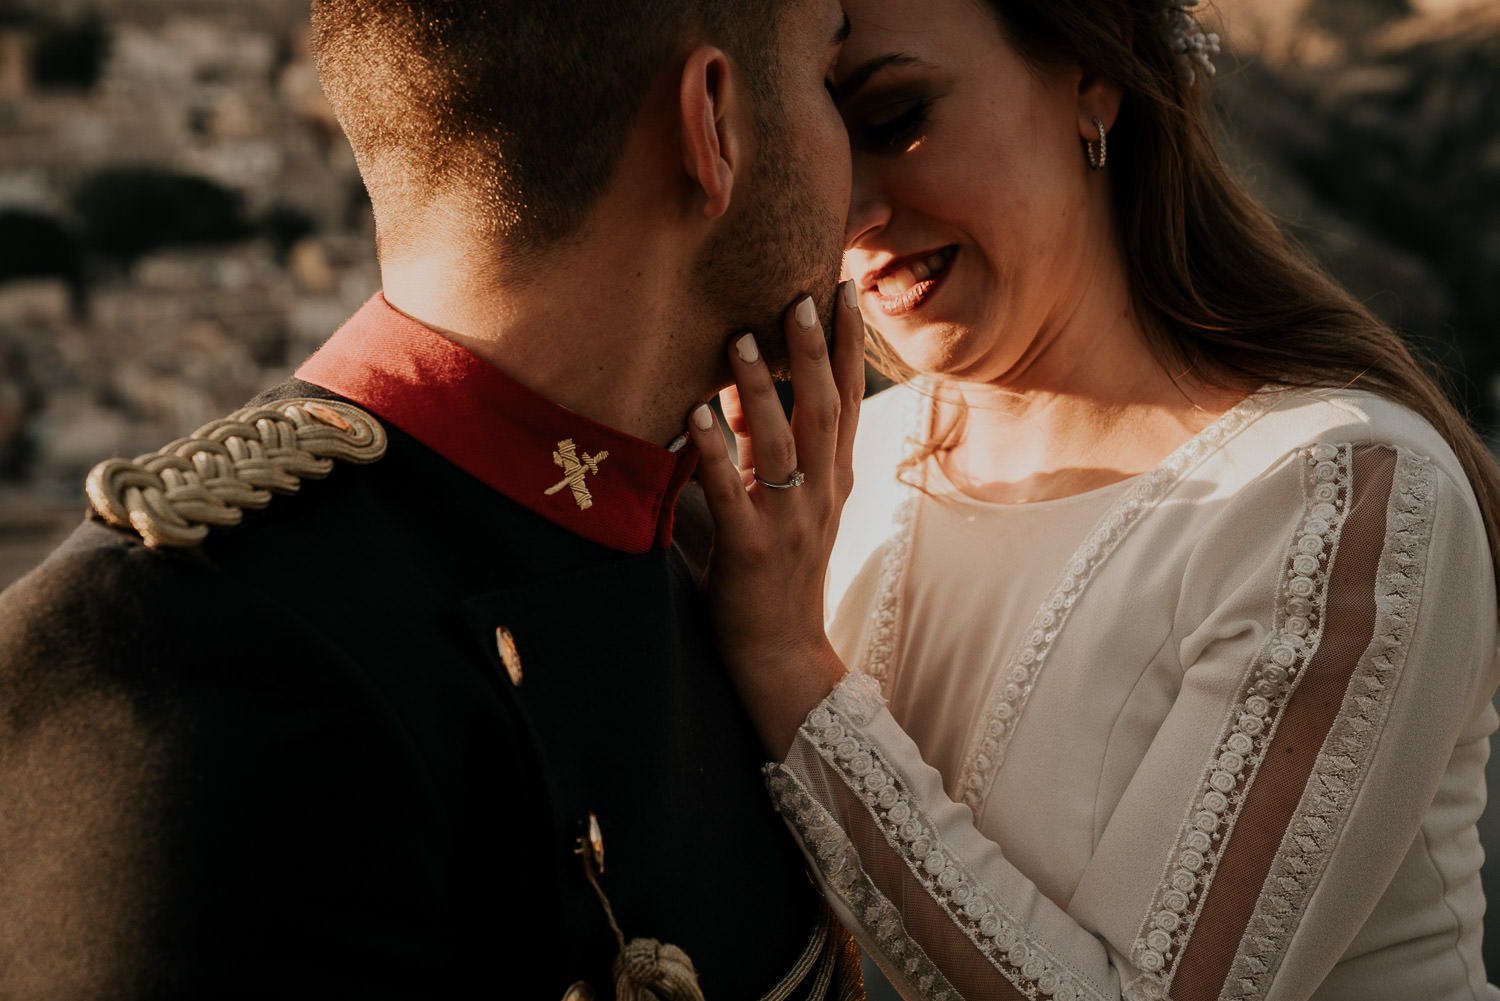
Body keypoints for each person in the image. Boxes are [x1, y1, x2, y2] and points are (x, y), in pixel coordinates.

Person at [0, 1, 868, 997]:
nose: (871, 185)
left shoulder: (704, 551)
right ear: (711, 123)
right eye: (833, 85)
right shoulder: (171, 670)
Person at [681, 0, 1500, 999]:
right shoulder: (845, 472)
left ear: (1090, 80)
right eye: (810, 141)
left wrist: (785, 662)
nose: (849, 213)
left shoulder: (1338, 495)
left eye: (895, 117)